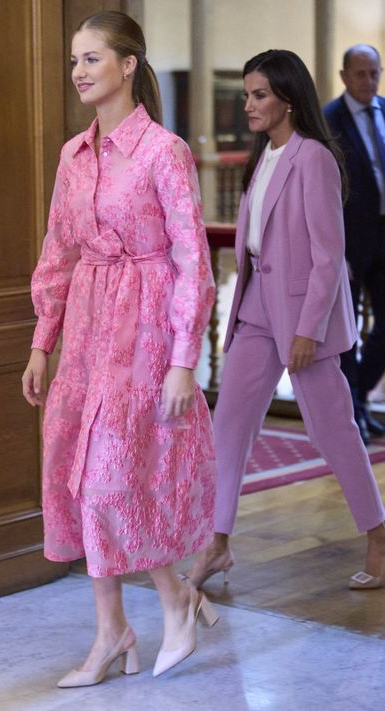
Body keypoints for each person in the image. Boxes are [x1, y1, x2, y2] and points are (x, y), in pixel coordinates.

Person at [22, 10, 218, 686]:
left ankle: (173, 599)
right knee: (80, 481)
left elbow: (193, 259)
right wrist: (42, 341)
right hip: (85, 330)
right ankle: (112, 631)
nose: (78, 70)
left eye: (92, 58)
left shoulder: (164, 151)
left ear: (128, 64)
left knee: (114, 477)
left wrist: (184, 357)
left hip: (147, 330)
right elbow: (58, 249)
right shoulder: (73, 157)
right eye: (74, 59)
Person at [187, 49, 385, 592]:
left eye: (259, 95)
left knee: (333, 430)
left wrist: (307, 330)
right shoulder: (264, 157)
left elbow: (329, 254)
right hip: (256, 311)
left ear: (288, 100)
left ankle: (379, 535)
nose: (247, 105)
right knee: (227, 425)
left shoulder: (314, 157)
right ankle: (217, 544)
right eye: (247, 94)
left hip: (301, 319)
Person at [324, 45, 385, 445]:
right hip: (348, 242)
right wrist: (334, 249)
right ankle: (352, 413)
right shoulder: (329, 120)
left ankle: (360, 395)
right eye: (361, 74)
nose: (369, 81)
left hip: (384, 235)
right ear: (345, 76)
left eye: (375, 73)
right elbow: (325, 190)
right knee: (345, 333)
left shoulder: (384, 108)